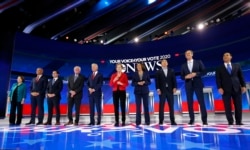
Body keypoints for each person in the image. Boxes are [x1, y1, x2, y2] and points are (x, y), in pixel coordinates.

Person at [215, 52, 246, 125]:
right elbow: (218, 79)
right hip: (225, 89)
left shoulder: (237, 66)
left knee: (238, 105)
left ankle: (239, 121)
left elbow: (241, 77)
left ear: (231, 57)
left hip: (236, 88)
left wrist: (243, 85)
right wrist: (219, 87)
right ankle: (230, 121)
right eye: (224, 55)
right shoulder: (219, 68)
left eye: (227, 55)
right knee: (227, 106)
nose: (225, 56)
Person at [180, 50, 208, 125]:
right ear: (185, 56)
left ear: (192, 54)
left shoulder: (198, 62)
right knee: (189, 103)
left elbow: (204, 72)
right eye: (186, 54)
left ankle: (204, 120)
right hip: (188, 85)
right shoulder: (183, 65)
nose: (188, 54)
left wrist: (196, 74)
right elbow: (182, 76)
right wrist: (186, 76)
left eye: (189, 53)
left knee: (201, 102)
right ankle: (191, 119)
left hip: (198, 84)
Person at [155, 59, 177, 125]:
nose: (164, 63)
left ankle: (172, 121)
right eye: (162, 62)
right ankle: (161, 120)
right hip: (162, 91)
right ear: (161, 64)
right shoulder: (158, 72)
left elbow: (174, 80)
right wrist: (158, 89)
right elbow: (157, 81)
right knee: (161, 106)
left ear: (167, 63)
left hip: (170, 90)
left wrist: (175, 87)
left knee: (171, 106)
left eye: (165, 62)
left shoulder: (171, 70)